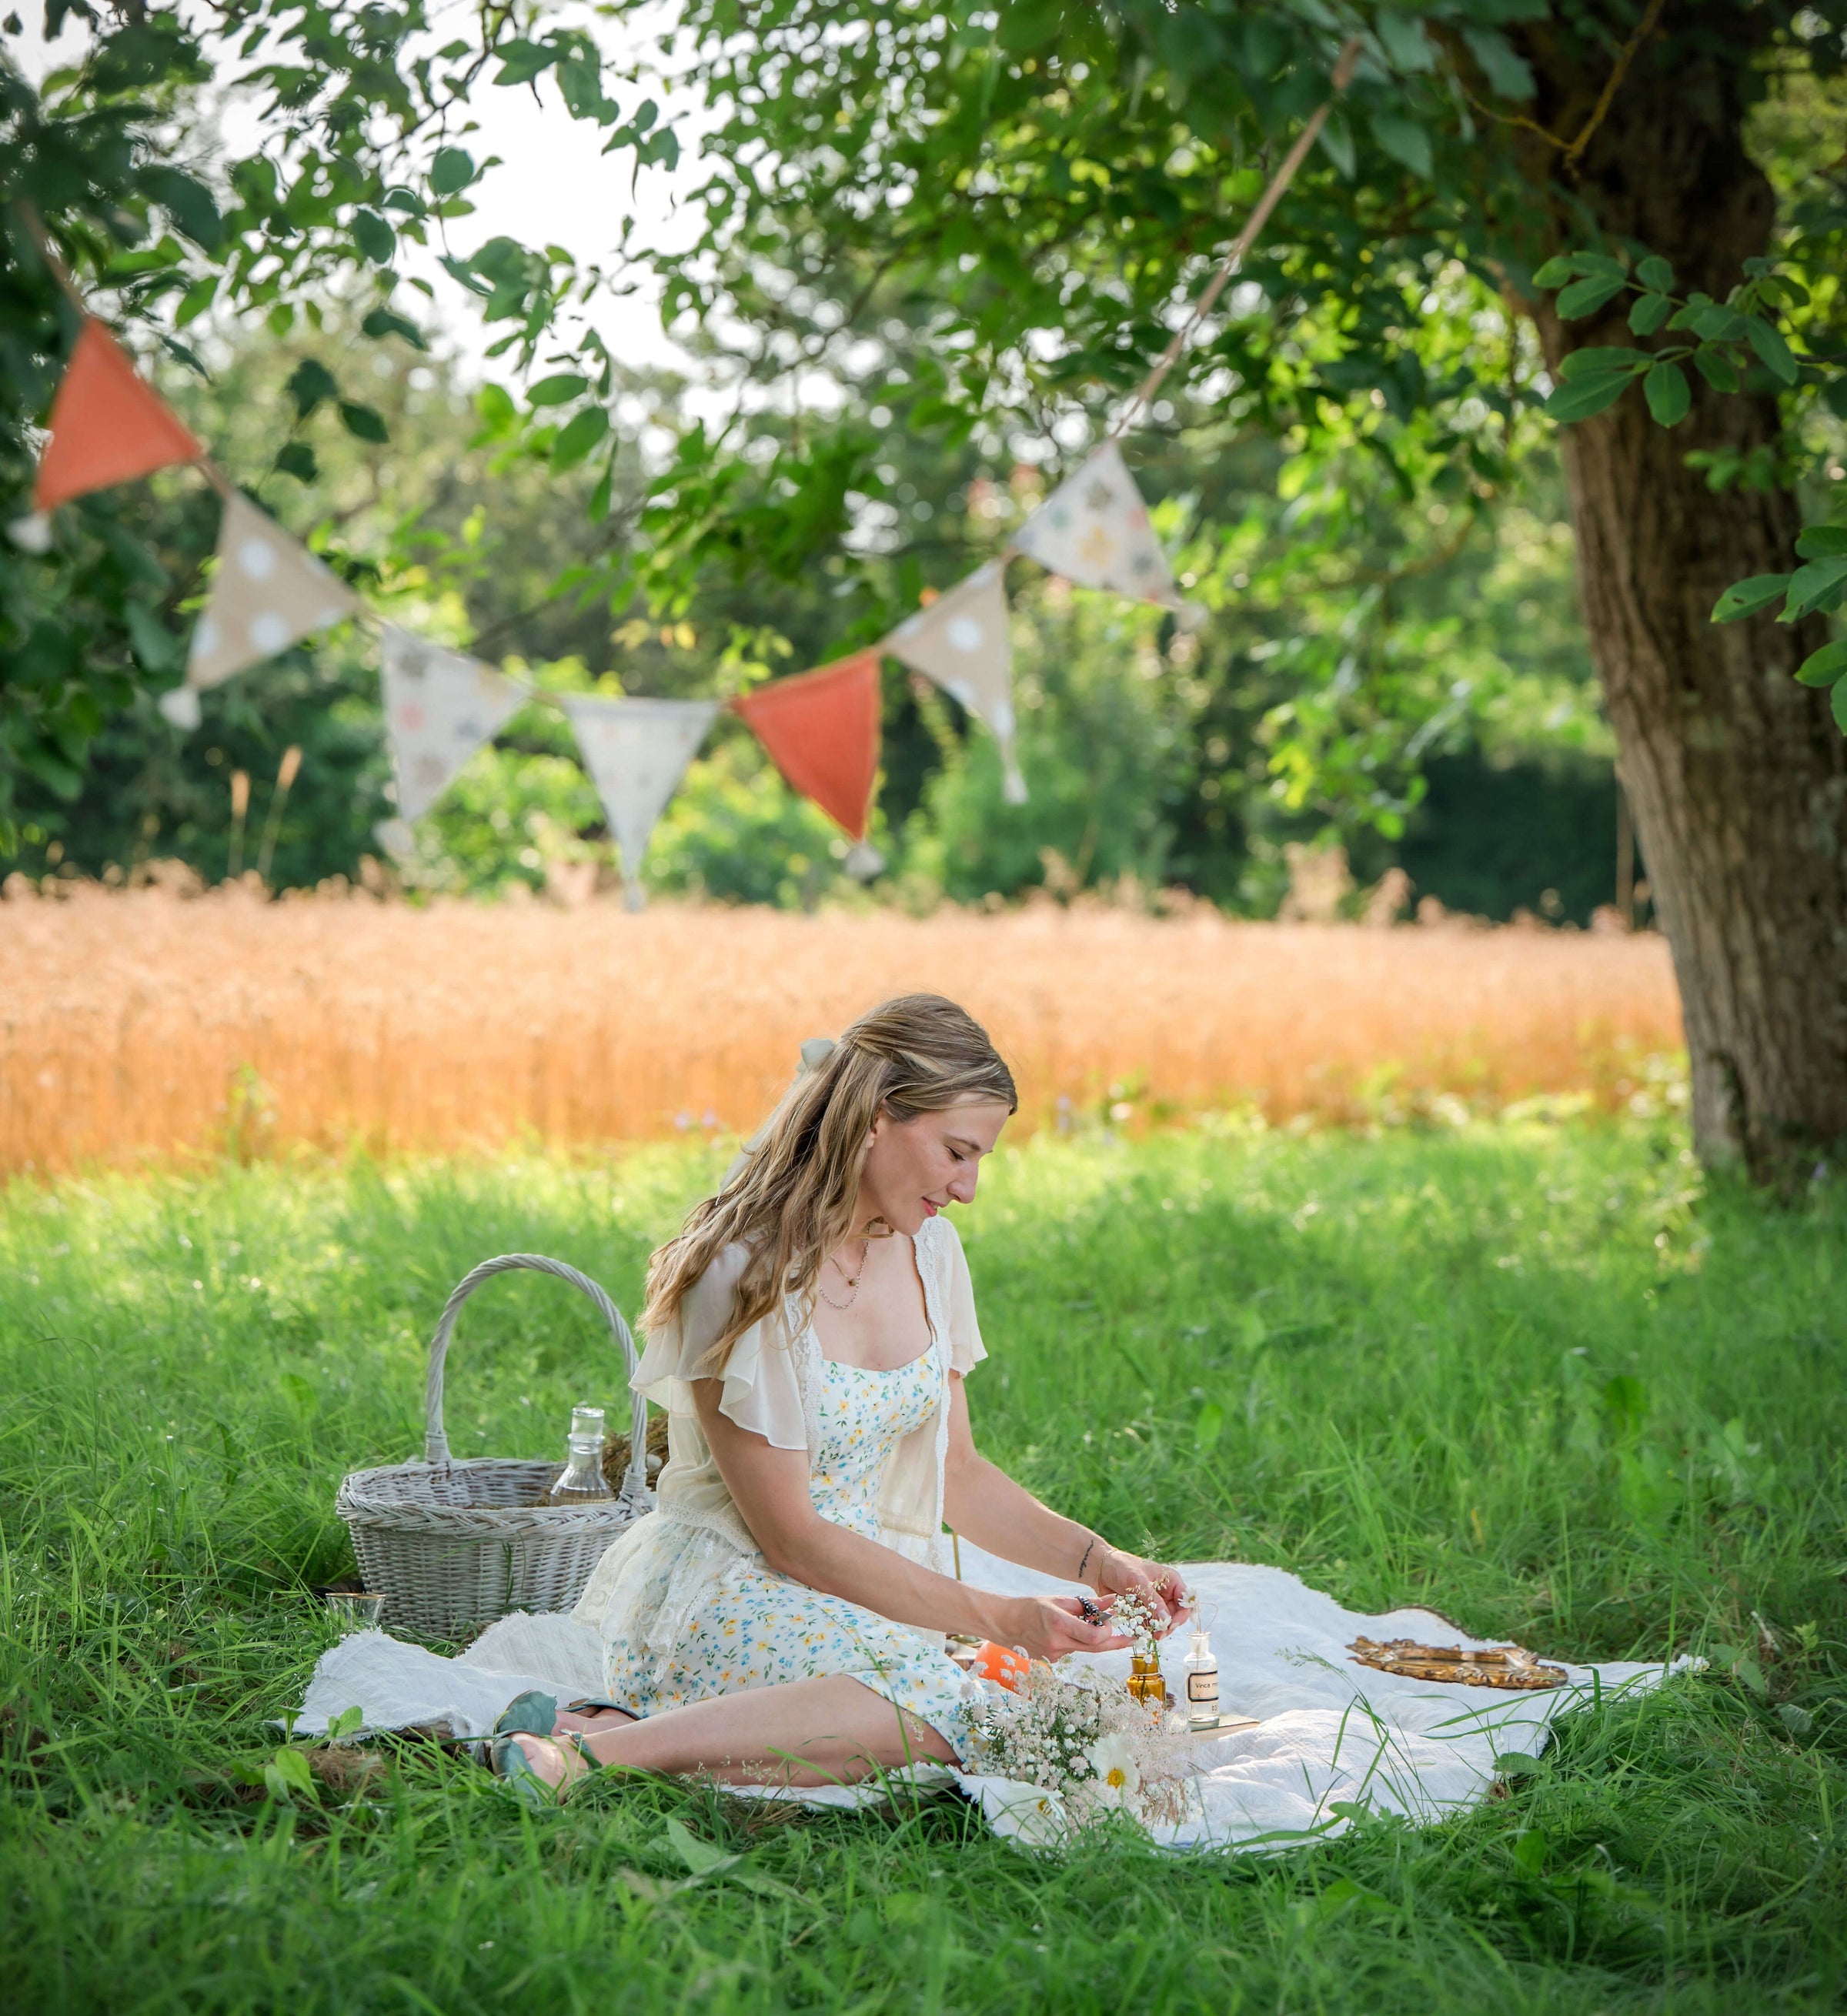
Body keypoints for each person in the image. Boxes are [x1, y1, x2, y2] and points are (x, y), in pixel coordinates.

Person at [499, 993, 1191, 1795]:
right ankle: (586, 1759)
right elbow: (791, 1539)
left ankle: (602, 1727)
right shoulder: (740, 1272)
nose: (968, 1187)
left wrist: (1102, 1561)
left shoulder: (933, 1254)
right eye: (956, 1151)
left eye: (979, 1160)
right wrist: (1002, 1617)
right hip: (729, 1591)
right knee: (959, 1708)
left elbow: (959, 1474)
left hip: (861, 1594)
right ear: (875, 1117)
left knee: (1009, 1707)